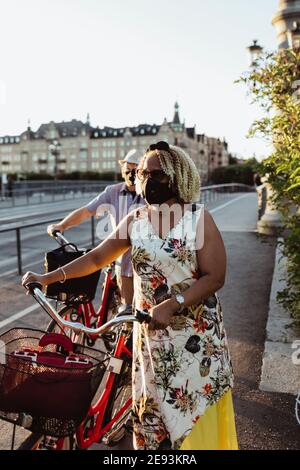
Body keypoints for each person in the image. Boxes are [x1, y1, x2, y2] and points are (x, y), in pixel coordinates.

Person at [23, 141, 238, 450]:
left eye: (158, 173)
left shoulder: (197, 218)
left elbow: (215, 277)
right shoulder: (136, 220)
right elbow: (97, 258)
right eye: (142, 173)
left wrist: (174, 303)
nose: (149, 180)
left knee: (192, 421)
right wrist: (49, 278)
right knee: (152, 422)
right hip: (150, 337)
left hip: (196, 340)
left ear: (178, 175)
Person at [47, 148, 144, 311]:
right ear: (122, 171)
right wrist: (62, 225)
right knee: (126, 310)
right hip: (121, 259)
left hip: (145, 260)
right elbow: (86, 211)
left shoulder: (151, 193)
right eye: (128, 170)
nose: (131, 175)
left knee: (141, 310)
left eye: (135, 171)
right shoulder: (113, 191)